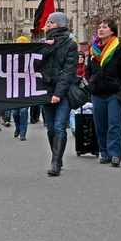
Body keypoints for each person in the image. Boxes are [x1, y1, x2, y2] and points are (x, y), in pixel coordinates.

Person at [87, 19, 121, 168]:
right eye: (100, 27)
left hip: (115, 94)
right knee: (100, 126)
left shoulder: (120, 49)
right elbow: (90, 72)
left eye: (104, 27)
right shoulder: (93, 50)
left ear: (112, 31)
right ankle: (104, 153)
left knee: (114, 125)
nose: (101, 29)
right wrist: (92, 85)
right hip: (98, 93)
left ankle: (115, 155)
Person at [40, 12, 78, 176]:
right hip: (45, 92)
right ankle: (58, 157)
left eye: (52, 22)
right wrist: (46, 48)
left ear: (61, 25)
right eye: (47, 22)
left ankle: (55, 162)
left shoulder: (70, 45)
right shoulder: (43, 43)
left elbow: (69, 71)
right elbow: (36, 65)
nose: (48, 24)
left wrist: (58, 93)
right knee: (50, 129)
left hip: (62, 93)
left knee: (59, 127)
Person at [12, 36, 32, 141]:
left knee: (24, 110)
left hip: (27, 87)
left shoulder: (30, 56)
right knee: (15, 112)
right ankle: (18, 127)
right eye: (18, 42)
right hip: (15, 87)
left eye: (22, 43)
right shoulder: (13, 57)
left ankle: (23, 133)